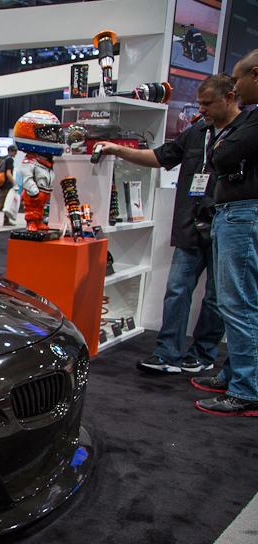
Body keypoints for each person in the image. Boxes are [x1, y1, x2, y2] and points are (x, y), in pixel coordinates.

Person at [97, 74, 240, 378]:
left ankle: (203, 354)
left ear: (229, 98)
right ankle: (167, 353)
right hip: (190, 225)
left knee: (216, 297)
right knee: (177, 289)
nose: (201, 110)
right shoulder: (197, 132)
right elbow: (160, 157)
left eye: (207, 103)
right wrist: (117, 149)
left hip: (227, 226)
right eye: (199, 103)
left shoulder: (245, 132)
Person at [193, 50, 258, 417]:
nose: (237, 86)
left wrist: (222, 148)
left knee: (239, 304)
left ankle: (246, 389)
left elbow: (225, 155)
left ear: (255, 74)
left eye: (239, 78)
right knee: (239, 303)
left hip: (243, 214)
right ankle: (237, 376)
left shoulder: (254, 120)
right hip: (237, 213)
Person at [0, 145, 18, 219]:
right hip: (6, 185)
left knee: (7, 203)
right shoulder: (10, 160)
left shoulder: (4, 159)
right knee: (2, 204)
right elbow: (8, 173)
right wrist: (15, 183)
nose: (16, 153)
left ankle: (6, 221)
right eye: (14, 151)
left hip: (2, 183)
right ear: (10, 151)